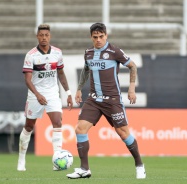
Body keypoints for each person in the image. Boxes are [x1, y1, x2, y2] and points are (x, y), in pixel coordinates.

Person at [66, 22, 146, 179]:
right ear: (91, 37)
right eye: (95, 37)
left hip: (112, 100)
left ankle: (139, 164)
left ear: (106, 36)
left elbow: (133, 66)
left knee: (123, 134)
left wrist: (131, 88)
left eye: (101, 36)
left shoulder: (114, 51)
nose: (98, 40)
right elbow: (86, 70)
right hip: (94, 100)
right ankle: (84, 169)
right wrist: (79, 88)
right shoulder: (88, 53)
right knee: (80, 129)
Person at [17, 24, 73, 171]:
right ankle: (21, 159)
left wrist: (68, 93)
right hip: (35, 94)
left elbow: (61, 73)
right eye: (41, 35)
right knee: (29, 126)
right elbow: (28, 80)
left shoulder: (57, 53)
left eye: (46, 35)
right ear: (37, 36)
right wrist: (38, 95)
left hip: (52, 93)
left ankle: (57, 159)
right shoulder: (31, 55)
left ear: (50, 36)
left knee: (57, 122)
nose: (44, 38)